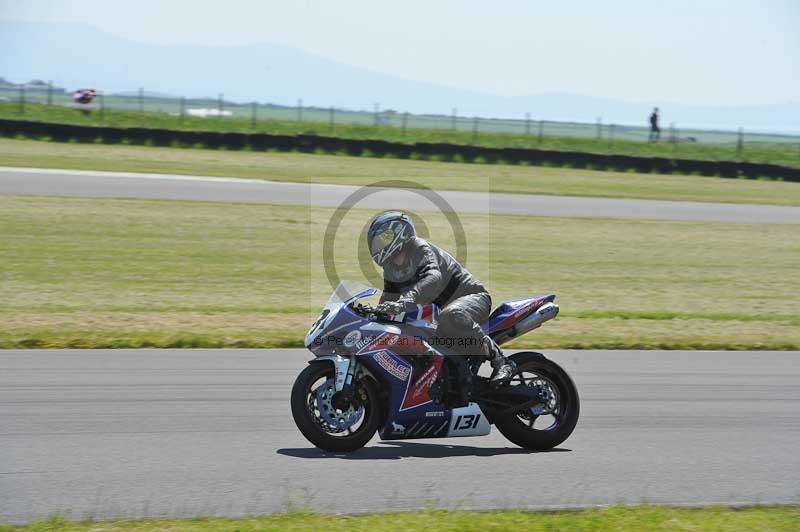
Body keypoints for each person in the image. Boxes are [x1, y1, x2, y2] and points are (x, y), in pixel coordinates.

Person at [367, 211, 515, 384]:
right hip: (442, 312)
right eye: (374, 243)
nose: (376, 247)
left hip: (472, 297)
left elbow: (433, 277)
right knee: (406, 331)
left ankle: (502, 362)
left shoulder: (420, 248)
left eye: (380, 241)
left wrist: (406, 301)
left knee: (451, 315)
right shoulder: (391, 268)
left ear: (398, 234)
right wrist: (373, 317)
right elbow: (388, 298)